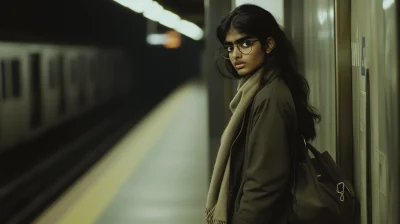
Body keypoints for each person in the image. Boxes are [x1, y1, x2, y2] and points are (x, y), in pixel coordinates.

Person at [205, 4, 321, 224]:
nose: (236, 54)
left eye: (246, 43)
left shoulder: (270, 97)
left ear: (268, 45)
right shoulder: (258, 91)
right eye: (230, 47)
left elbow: (263, 185)